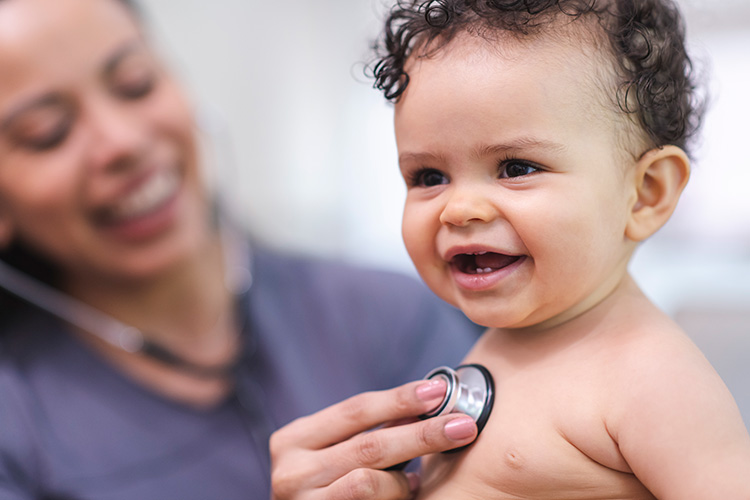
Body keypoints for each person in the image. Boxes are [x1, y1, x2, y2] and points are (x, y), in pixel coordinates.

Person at [0, 0, 484, 499]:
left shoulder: (388, 315)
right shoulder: (14, 426)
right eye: (46, 134)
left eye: (135, 83)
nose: (120, 142)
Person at [271, 0, 750, 498]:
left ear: (646, 193)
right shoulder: (501, 345)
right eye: (429, 177)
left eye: (516, 167)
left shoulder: (653, 379)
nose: (459, 209)